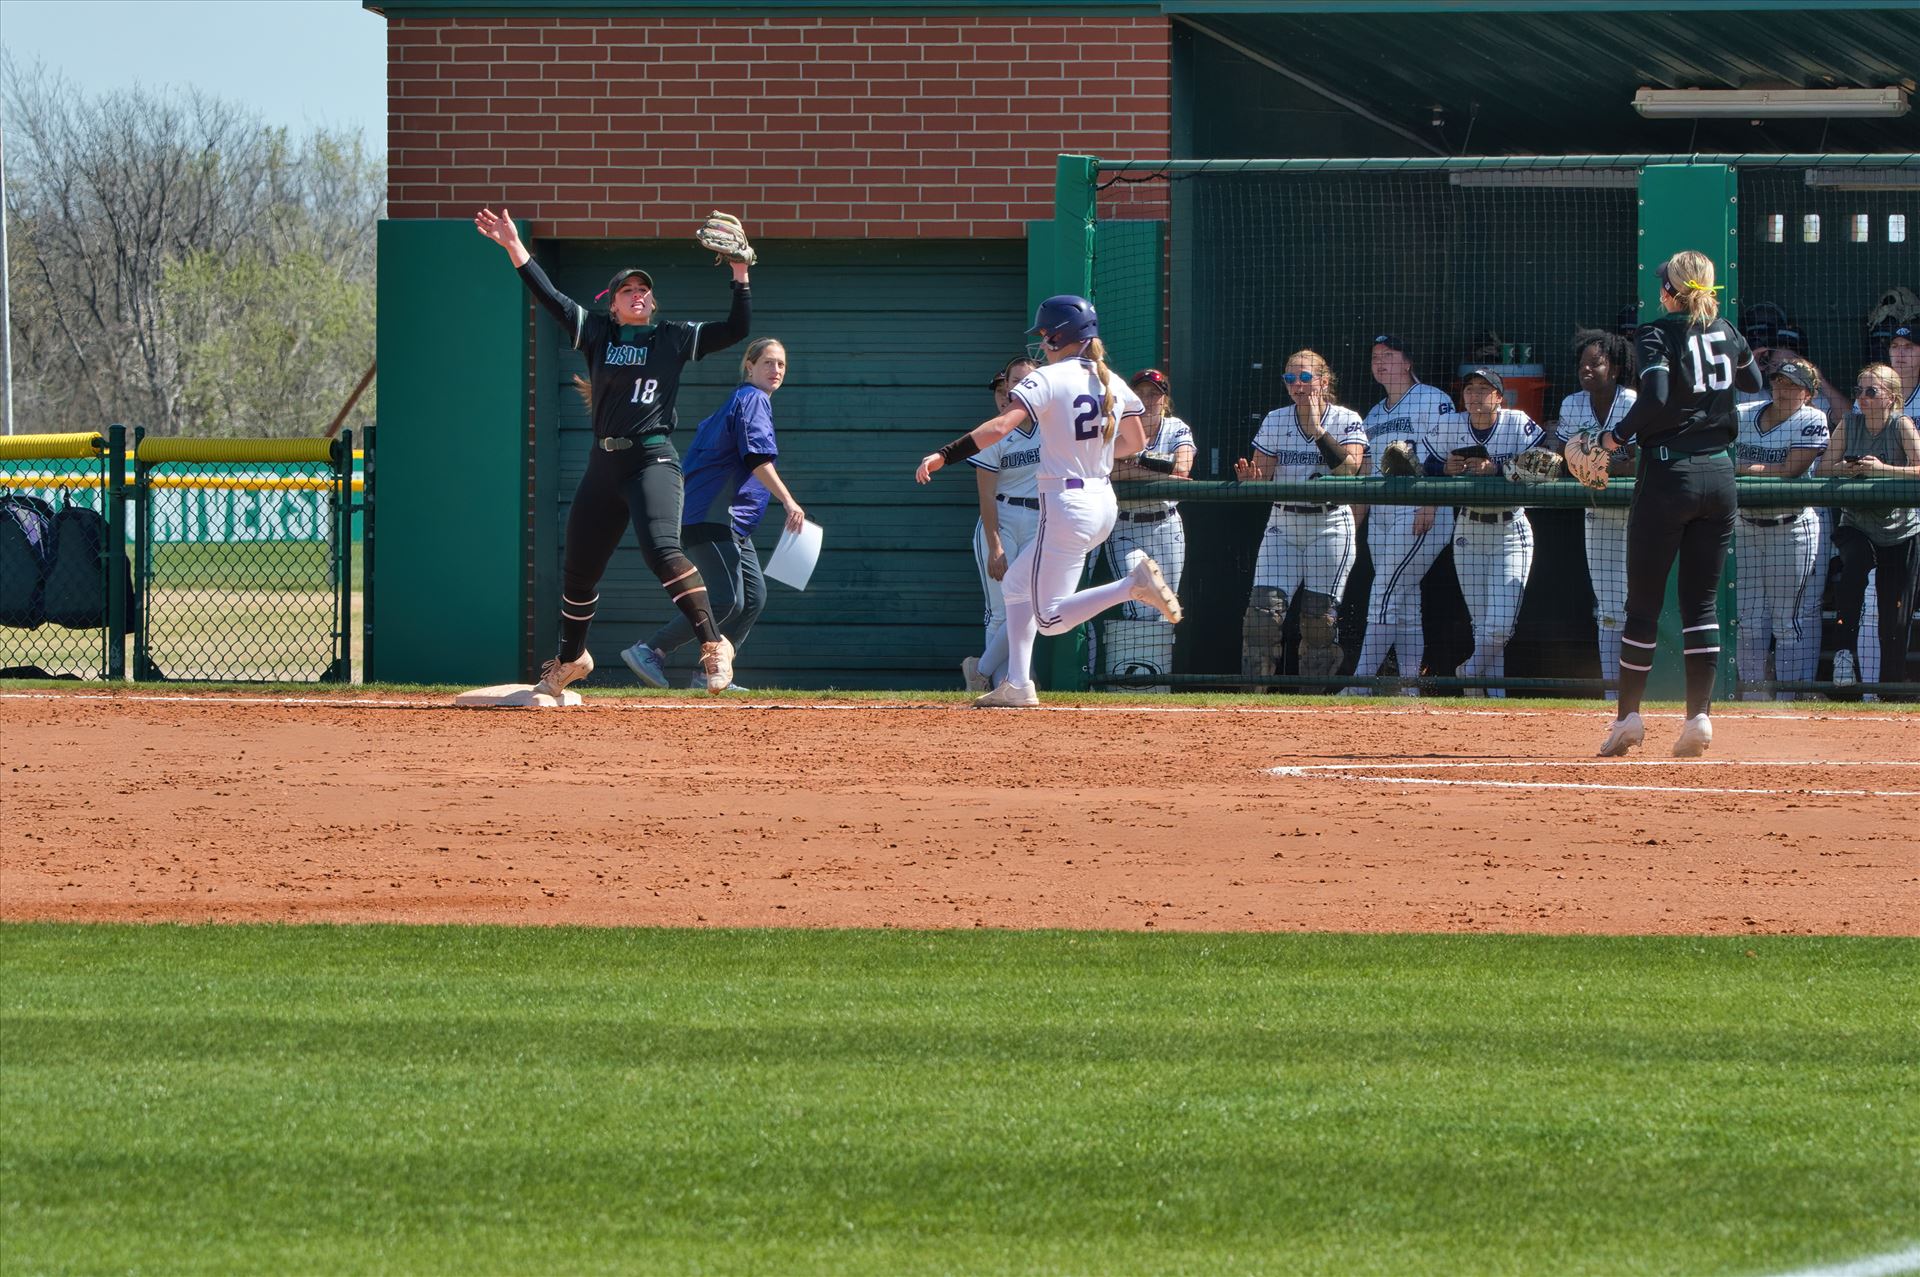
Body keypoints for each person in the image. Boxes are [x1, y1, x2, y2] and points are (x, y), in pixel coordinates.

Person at [473, 206, 751, 697]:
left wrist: (740, 272)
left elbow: (736, 329)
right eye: (628, 290)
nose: (638, 294)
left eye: (644, 289)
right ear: (613, 303)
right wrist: (515, 247)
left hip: (652, 460)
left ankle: (713, 644)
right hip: (604, 464)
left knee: (662, 551)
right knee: (579, 570)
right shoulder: (599, 333)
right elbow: (551, 298)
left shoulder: (671, 337)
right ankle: (571, 659)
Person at [914, 295, 1181, 708]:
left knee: (1050, 619)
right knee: (1018, 585)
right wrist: (1090, 451)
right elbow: (1136, 442)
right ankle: (1018, 683)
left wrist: (945, 453)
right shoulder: (1111, 380)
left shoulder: (1049, 378)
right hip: (1102, 501)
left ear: (1060, 335)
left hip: (1065, 504)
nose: (1042, 343)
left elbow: (1001, 426)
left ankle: (1131, 586)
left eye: (1044, 334)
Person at [1594, 250, 1765, 757]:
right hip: (1719, 473)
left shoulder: (1655, 333)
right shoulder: (1728, 329)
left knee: (1643, 605)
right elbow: (1753, 383)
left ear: (1671, 289)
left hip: (1670, 474)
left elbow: (1654, 398)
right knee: (1702, 605)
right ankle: (1699, 720)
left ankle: (1628, 719)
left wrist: (1613, 438)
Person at [621, 339, 804, 691]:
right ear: (749, 366)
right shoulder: (751, 400)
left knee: (753, 598)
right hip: (712, 515)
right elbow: (757, 459)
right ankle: (651, 649)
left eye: (781, 365)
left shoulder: (743, 402)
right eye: (768, 363)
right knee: (724, 599)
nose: (776, 370)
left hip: (731, 521)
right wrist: (788, 501)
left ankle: (708, 672)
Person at [1235, 350, 1367, 686]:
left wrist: (1317, 430)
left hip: (1330, 524)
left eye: (1305, 377)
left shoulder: (1346, 418)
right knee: (1262, 616)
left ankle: (1313, 702)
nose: (1298, 384)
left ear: (1324, 381)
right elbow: (1261, 474)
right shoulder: (1276, 419)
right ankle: (1252, 700)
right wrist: (1252, 482)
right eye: (1290, 378)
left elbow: (1350, 470)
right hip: (1284, 522)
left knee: (1318, 623)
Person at [1420, 367, 1542, 697]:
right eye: (1470, 389)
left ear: (1499, 397)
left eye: (1484, 389)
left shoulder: (1516, 422)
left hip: (1510, 528)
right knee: (1482, 626)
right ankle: (1488, 698)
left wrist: (1499, 469)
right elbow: (1423, 462)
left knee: (1500, 626)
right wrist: (1443, 468)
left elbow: (1546, 461)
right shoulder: (1451, 425)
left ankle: (1469, 672)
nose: (1474, 395)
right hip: (1469, 529)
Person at [1345, 335, 1455, 695]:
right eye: (1375, 356)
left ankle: (1360, 685)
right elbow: (1366, 474)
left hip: (1419, 508)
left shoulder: (1433, 399)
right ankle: (1409, 687)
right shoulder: (1374, 413)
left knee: (1384, 593)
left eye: (1389, 355)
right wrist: (1355, 523)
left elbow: (1446, 457)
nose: (1380, 362)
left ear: (1407, 362)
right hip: (1381, 514)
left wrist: (1431, 502)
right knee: (1404, 601)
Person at [1818, 361, 1920, 692]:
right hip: (1856, 523)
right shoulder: (1849, 424)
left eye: (1871, 391)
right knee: (1854, 569)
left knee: (1894, 611)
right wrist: (1847, 470)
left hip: (1901, 530)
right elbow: (1824, 470)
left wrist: (1883, 469)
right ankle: (1844, 655)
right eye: (1859, 390)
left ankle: (1890, 686)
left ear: (1891, 397)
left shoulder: (1901, 424)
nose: (1862, 397)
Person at [1731, 360, 1829, 699]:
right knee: (1747, 620)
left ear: (1807, 393)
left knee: (1787, 620)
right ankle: (1754, 698)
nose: (1782, 390)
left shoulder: (1813, 417)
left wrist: (1740, 467)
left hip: (1791, 530)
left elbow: (1791, 470)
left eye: (1791, 385)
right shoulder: (1743, 413)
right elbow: (1718, 457)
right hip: (1744, 527)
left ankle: (1790, 698)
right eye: (1777, 382)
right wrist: (1760, 468)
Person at [1555, 329, 1639, 695]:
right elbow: (1563, 458)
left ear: (1616, 368)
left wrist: (1590, 462)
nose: (1586, 369)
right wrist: (1605, 464)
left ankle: (1639, 687)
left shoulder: (1634, 401)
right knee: (1607, 607)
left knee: (1636, 603)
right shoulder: (1573, 404)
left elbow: (1638, 462)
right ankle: (1612, 692)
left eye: (1596, 363)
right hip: (1598, 514)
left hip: (1638, 515)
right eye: (1582, 364)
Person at [1101, 368, 1195, 690]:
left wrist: (1135, 466)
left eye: (1154, 393)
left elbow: (1183, 468)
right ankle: (1134, 686)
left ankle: (1157, 688)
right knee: (1139, 603)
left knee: (1166, 608)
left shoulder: (1176, 427)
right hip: (1125, 527)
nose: (1148, 399)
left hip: (1166, 525)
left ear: (1164, 399)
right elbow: (1109, 471)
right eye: (1141, 393)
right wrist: (1159, 470)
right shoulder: (1118, 429)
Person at [962, 356, 1042, 692]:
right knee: (1000, 610)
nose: (1009, 391)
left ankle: (984, 673)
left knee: (1033, 606)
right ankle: (1002, 684)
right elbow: (986, 497)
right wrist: (995, 545)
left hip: (1041, 519)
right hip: (1002, 519)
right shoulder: (993, 433)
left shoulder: (1051, 425)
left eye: (1027, 380)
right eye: (1007, 385)